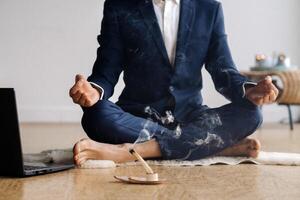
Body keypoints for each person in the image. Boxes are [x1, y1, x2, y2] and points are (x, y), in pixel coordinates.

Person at [69, 0, 279, 165]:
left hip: (190, 116)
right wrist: (94, 91)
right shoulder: (119, 7)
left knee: (252, 114)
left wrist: (249, 90)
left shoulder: (209, 9)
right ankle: (210, 145)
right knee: (96, 115)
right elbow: (107, 70)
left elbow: (223, 71)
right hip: (137, 117)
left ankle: (135, 151)